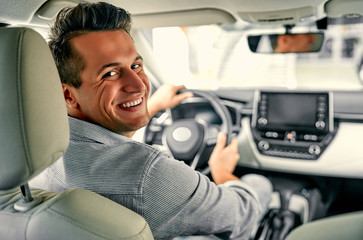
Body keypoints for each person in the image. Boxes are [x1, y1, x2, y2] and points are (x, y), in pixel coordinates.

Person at [30, 2, 273, 239]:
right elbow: (241, 215)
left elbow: (103, 142)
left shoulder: (32, 150)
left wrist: (152, 106)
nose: (138, 85)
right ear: (68, 95)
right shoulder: (149, 174)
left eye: (136, 65)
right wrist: (224, 175)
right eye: (110, 74)